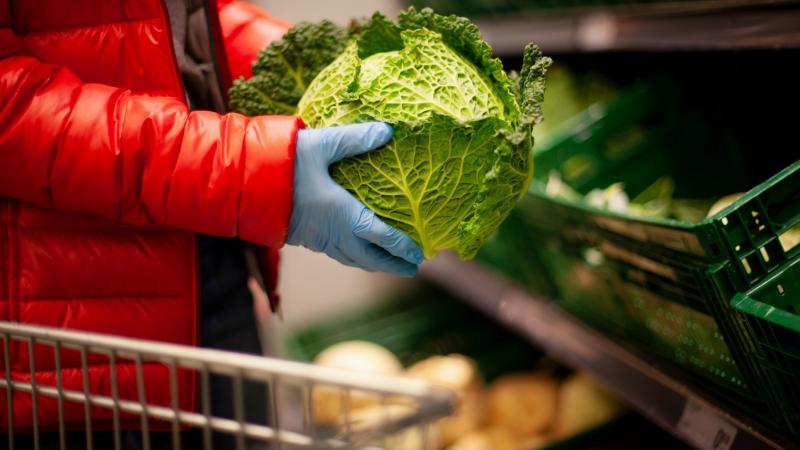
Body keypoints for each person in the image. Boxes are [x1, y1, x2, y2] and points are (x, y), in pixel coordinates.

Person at [0, 0, 422, 442]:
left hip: (211, 252)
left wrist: (318, 66)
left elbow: (169, 17)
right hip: (70, 322)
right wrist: (246, 171)